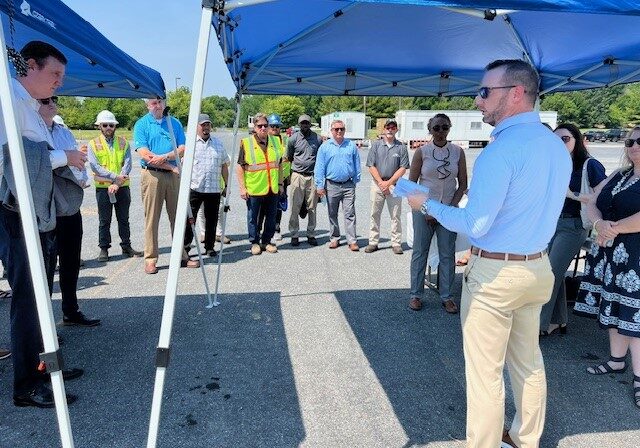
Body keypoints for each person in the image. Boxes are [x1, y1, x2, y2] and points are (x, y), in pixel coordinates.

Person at [408, 59, 571, 447]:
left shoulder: (502, 150)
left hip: (496, 275)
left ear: (515, 93)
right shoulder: (554, 145)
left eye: (484, 92)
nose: (478, 101)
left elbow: (476, 224)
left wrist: (425, 204)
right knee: (528, 363)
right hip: (536, 268)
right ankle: (525, 439)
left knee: (485, 373)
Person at [0, 41, 86, 408]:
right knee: (28, 299)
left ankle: (45, 367)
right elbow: (11, 161)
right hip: (15, 213)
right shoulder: (8, 102)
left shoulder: (29, 107)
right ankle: (26, 384)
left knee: (40, 296)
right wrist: (62, 156)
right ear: (30, 66)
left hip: (36, 212)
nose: (58, 84)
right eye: (54, 74)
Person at [573, 127, 640, 409]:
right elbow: (591, 202)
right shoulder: (618, 175)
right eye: (630, 141)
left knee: (636, 316)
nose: (634, 145)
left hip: (635, 256)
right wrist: (600, 224)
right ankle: (615, 361)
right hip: (610, 252)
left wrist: (611, 229)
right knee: (613, 306)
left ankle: (639, 377)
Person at [539, 124, 605, 336]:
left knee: (549, 274)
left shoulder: (589, 165)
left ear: (577, 140)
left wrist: (572, 194)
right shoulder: (555, 164)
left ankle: (538, 327)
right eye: (556, 140)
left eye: (565, 139)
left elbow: (602, 197)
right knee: (550, 272)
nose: (560, 144)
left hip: (574, 225)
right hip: (553, 223)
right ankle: (559, 320)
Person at [39, 98, 100, 327]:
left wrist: (80, 178)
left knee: (71, 262)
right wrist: (64, 158)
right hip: (45, 208)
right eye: (46, 100)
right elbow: (38, 164)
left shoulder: (63, 131)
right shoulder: (33, 130)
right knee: (44, 267)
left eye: (54, 99)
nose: (52, 103)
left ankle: (71, 310)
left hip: (69, 207)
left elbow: (78, 162)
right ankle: (42, 326)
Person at [407, 113, 467, 314]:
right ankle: (416, 294)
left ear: (449, 128)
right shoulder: (422, 152)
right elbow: (411, 185)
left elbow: (463, 184)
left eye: (444, 127)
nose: (440, 132)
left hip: (448, 210)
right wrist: (425, 209)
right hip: (425, 209)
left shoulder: (458, 152)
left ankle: (447, 296)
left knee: (447, 253)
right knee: (420, 252)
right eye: (436, 128)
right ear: (430, 130)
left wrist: (449, 209)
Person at [133, 98, 199, 274]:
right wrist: (169, 164)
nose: (158, 106)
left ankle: (182, 256)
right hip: (152, 175)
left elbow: (183, 147)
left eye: (160, 102)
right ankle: (151, 259)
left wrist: (166, 156)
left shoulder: (174, 123)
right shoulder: (141, 124)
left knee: (177, 218)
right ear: (148, 105)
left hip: (173, 177)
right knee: (152, 219)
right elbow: (145, 154)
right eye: (154, 103)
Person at [88, 109, 142, 262]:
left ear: (115, 126)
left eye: (111, 125)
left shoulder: (123, 142)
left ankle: (126, 246)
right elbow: (95, 166)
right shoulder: (93, 144)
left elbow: (127, 164)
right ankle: (104, 249)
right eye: (104, 125)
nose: (108, 128)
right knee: (104, 220)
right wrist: (114, 178)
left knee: (123, 218)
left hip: (122, 187)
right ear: (99, 126)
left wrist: (117, 183)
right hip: (104, 189)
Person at [236, 113, 283, 255]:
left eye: (265, 125)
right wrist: (242, 188)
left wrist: (280, 184)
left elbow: (279, 165)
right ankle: (254, 242)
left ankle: (267, 241)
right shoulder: (247, 142)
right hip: (255, 188)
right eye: (260, 126)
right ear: (255, 127)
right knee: (253, 217)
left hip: (272, 187)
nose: (263, 128)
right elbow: (240, 166)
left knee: (271, 216)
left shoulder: (275, 141)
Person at [183, 114, 229, 257]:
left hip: (213, 189)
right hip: (195, 188)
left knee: (212, 219)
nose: (206, 128)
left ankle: (209, 246)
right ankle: (185, 247)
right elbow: (183, 165)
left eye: (208, 125)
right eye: (203, 125)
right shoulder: (189, 144)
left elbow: (224, 165)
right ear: (197, 127)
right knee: (189, 220)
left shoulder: (218, 144)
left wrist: (227, 185)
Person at [315, 119, 361, 251]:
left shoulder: (351, 146)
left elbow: (356, 164)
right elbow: (319, 167)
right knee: (332, 213)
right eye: (336, 129)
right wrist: (319, 185)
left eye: (342, 129)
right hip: (331, 185)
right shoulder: (324, 147)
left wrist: (355, 180)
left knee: (350, 213)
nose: (339, 131)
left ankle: (352, 240)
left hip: (348, 185)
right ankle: (334, 238)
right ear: (332, 131)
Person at [365, 119, 410, 255]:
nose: (390, 129)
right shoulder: (376, 145)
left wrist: (389, 183)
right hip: (377, 184)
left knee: (396, 215)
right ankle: (373, 242)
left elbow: (403, 168)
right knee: (374, 214)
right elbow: (371, 166)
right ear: (384, 129)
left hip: (394, 185)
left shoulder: (401, 147)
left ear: (396, 130)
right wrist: (381, 182)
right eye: (388, 127)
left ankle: (396, 243)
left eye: (393, 127)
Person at [287, 114, 321, 247]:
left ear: (310, 124)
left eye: (306, 123)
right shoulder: (293, 139)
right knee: (295, 207)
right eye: (302, 123)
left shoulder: (317, 139)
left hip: (312, 176)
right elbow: (289, 157)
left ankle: (311, 233)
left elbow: (320, 158)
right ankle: (294, 234)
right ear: (299, 124)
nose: (304, 125)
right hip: (297, 175)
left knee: (312, 207)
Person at [258, 113, 289, 242]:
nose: (275, 128)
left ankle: (276, 229)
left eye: (277, 126)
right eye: (272, 126)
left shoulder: (285, 140)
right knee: (263, 207)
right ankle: (260, 230)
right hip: (265, 178)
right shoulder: (263, 140)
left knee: (278, 206)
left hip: (282, 178)